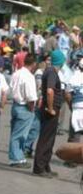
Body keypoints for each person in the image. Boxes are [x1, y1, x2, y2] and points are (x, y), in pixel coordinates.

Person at [33, 49, 65, 178]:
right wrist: (50, 108)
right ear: (61, 61)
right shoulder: (52, 72)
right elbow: (50, 91)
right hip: (50, 110)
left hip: (52, 109)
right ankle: (39, 167)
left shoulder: (51, 71)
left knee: (50, 139)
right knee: (45, 139)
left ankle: (45, 165)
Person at [8, 54, 38, 168]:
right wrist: (31, 109)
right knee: (20, 134)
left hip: (16, 104)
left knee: (15, 133)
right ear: (34, 64)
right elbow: (30, 96)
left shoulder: (16, 73)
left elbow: (11, 88)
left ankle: (17, 156)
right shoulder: (29, 76)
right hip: (24, 106)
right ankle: (16, 158)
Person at [65, 57, 83, 143]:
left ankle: (74, 155)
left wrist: (71, 105)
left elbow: (67, 94)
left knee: (75, 137)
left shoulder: (73, 77)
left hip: (77, 109)